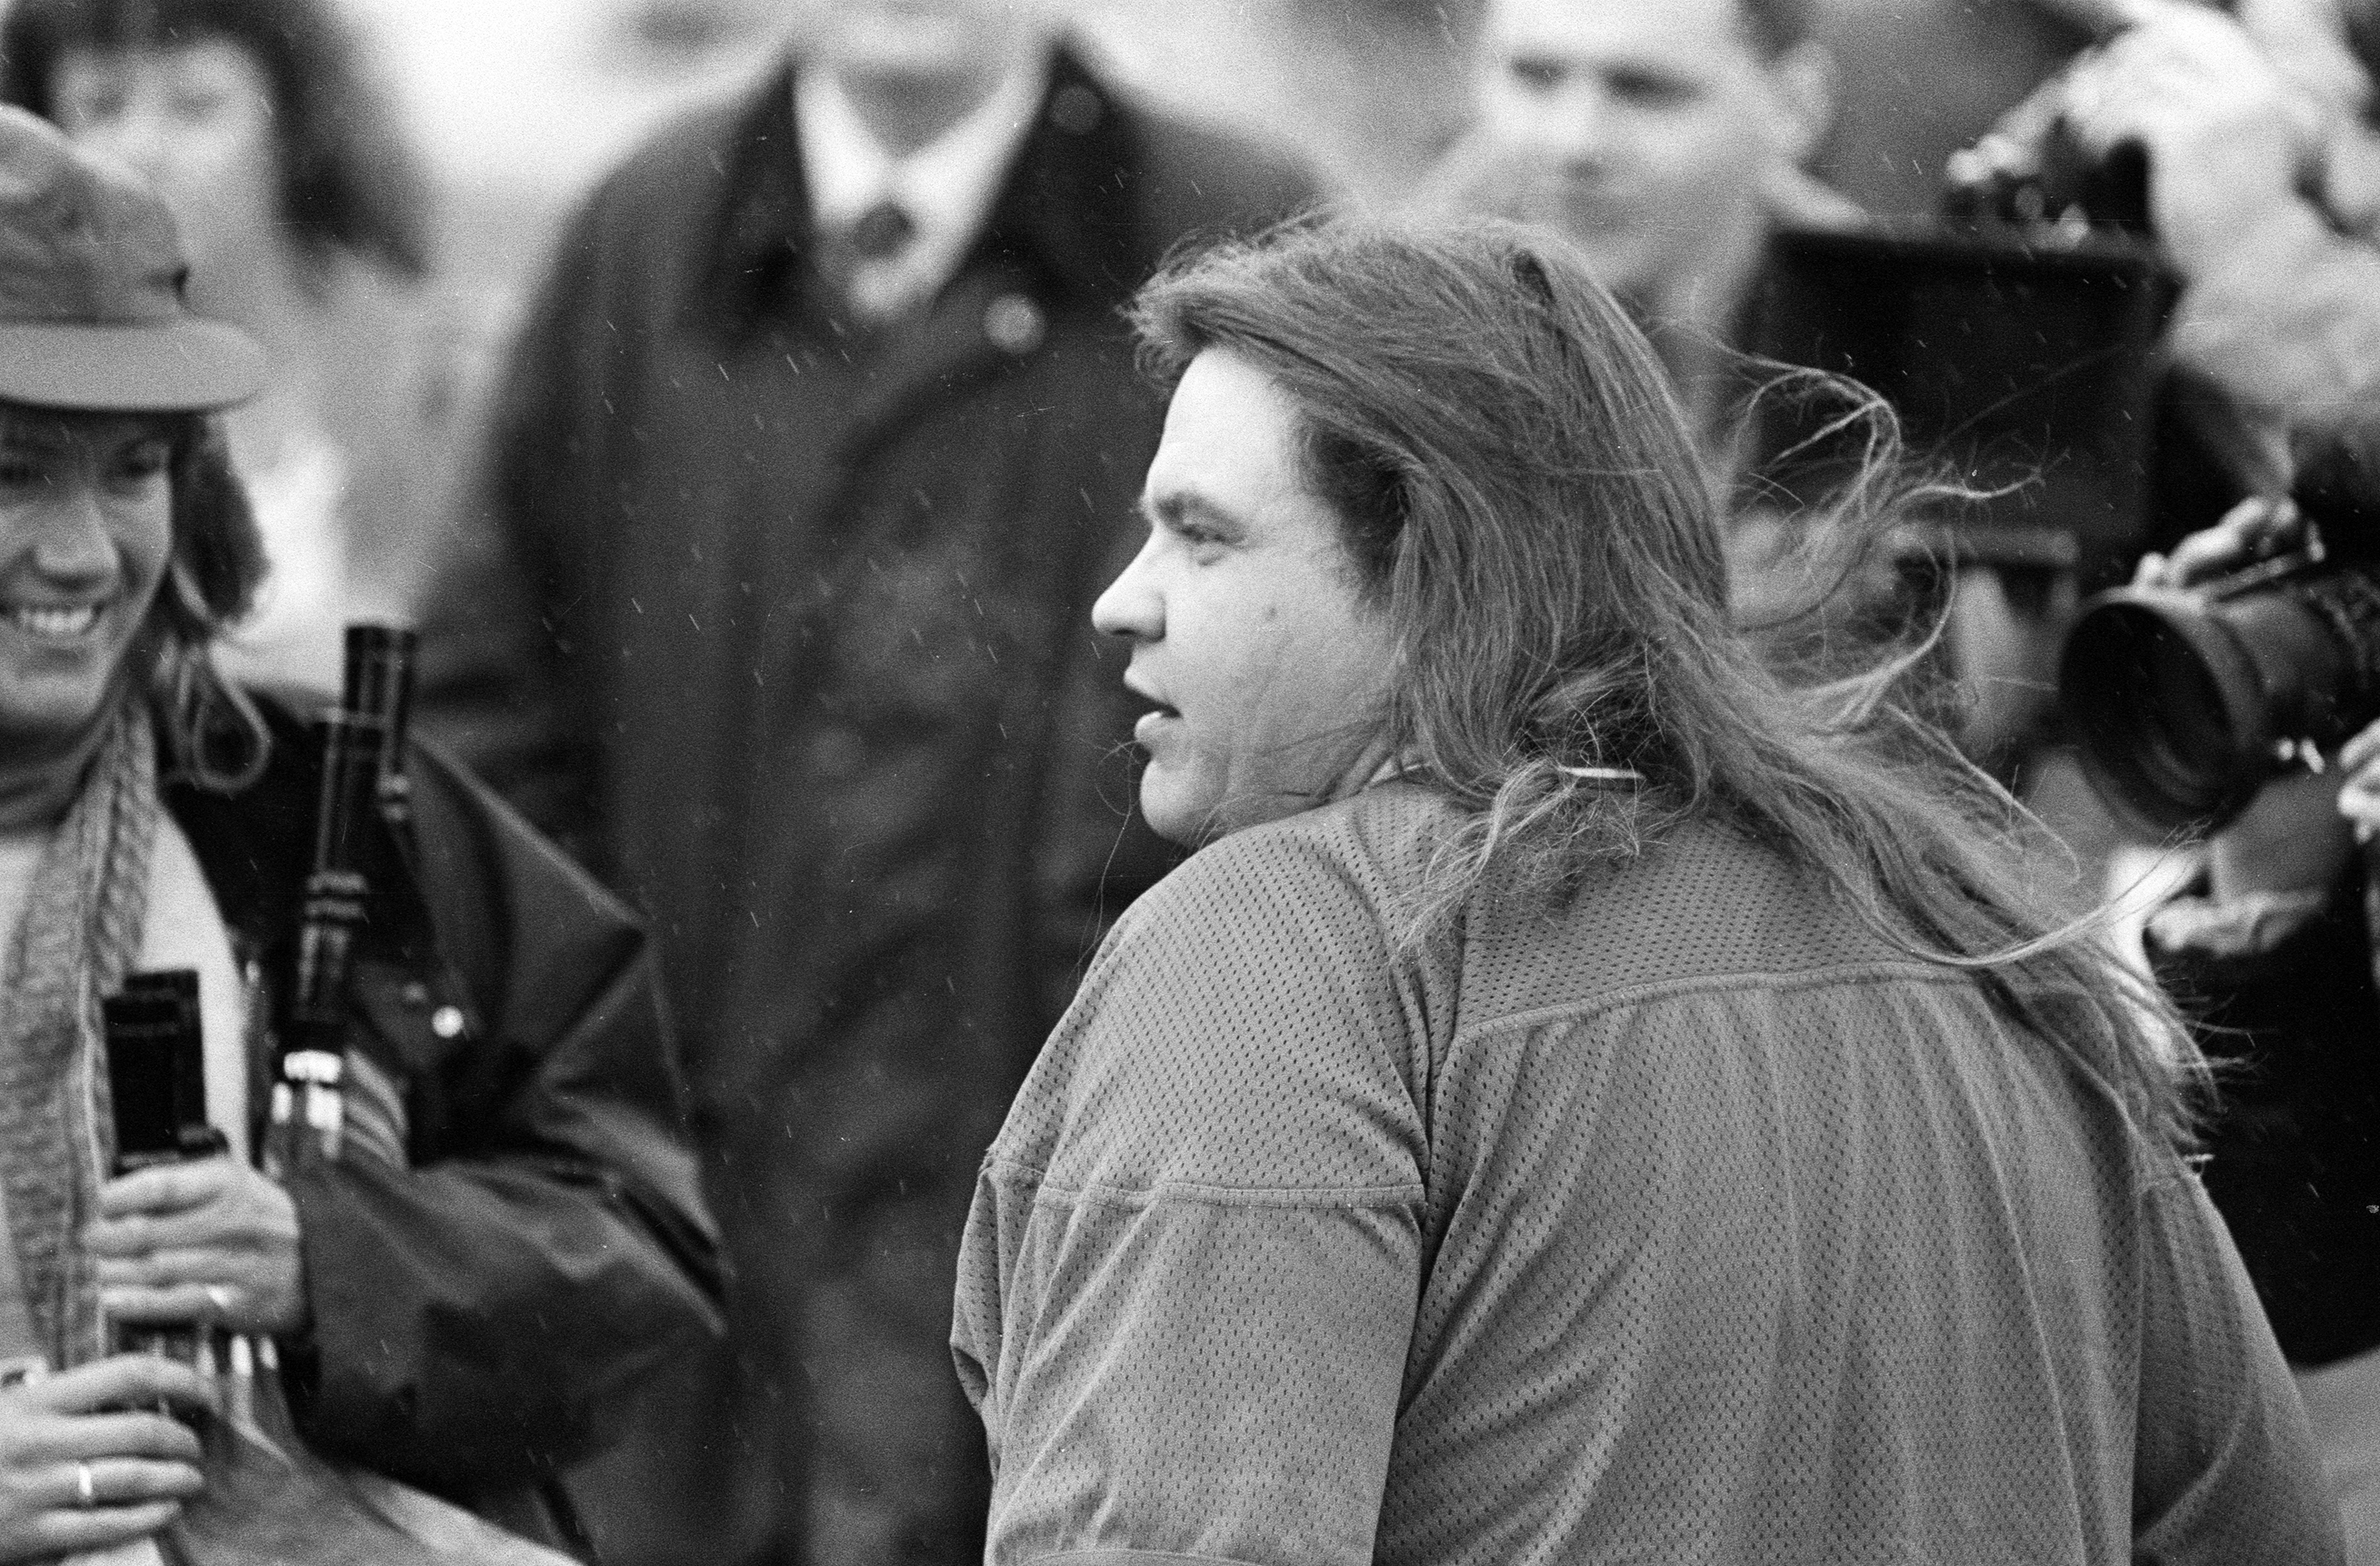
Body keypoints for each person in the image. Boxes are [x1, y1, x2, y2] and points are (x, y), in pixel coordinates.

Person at [950, 218, 2344, 1565]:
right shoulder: (1984, 944)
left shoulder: (1283, 952)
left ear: (1439, 561)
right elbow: (2261, 1530)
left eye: (1201, 535)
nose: (1121, 601)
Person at [409, 2, 1316, 1559]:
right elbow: (484, 725)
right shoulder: (645, 235)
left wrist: (1149, 1114)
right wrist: (588, 1091)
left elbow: (1333, 742)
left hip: (1080, 1243)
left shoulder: (1235, 242)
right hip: (679, 1265)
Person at [0, 106, 720, 1563]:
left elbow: (640, 1249)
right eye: (13, 471)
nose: (83, 551)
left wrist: (333, 1261)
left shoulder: (320, 807)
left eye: (135, 467)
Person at [0, 0, 485, 694]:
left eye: (196, 106)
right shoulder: (22, 372)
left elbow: (446, 688)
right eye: (102, 106)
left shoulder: (436, 371)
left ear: (295, 126)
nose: (143, 147)